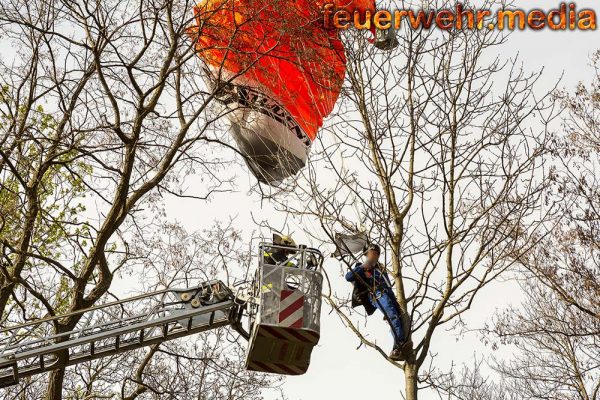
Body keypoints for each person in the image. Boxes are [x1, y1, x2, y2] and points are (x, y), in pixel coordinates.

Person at [345, 244, 406, 361]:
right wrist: (363, 267)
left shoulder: (381, 268)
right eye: (372, 253)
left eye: (376, 253)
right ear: (367, 254)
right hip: (376, 294)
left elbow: (388, 285)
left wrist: (395, 302)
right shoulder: (362, 266)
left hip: (388, 295)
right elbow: (349, 277)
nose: (374, 255)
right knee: (393, 317)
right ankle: (400, 344)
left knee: (397, 318)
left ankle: (397, 348)